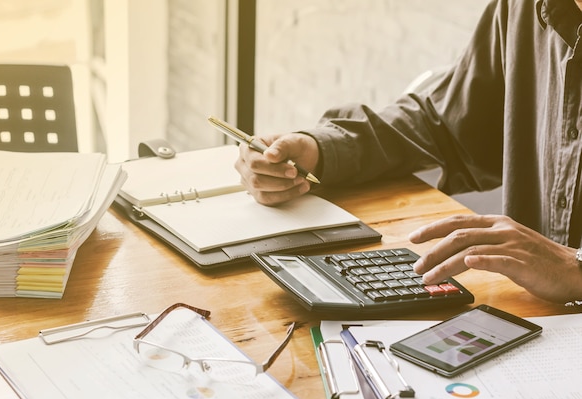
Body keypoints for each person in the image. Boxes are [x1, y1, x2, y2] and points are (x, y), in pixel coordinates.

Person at [235, 0, 582, 304]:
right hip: (538, 323)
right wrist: (320, 150)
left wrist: (573, 267)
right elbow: (442, 125)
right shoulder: (521, 9)